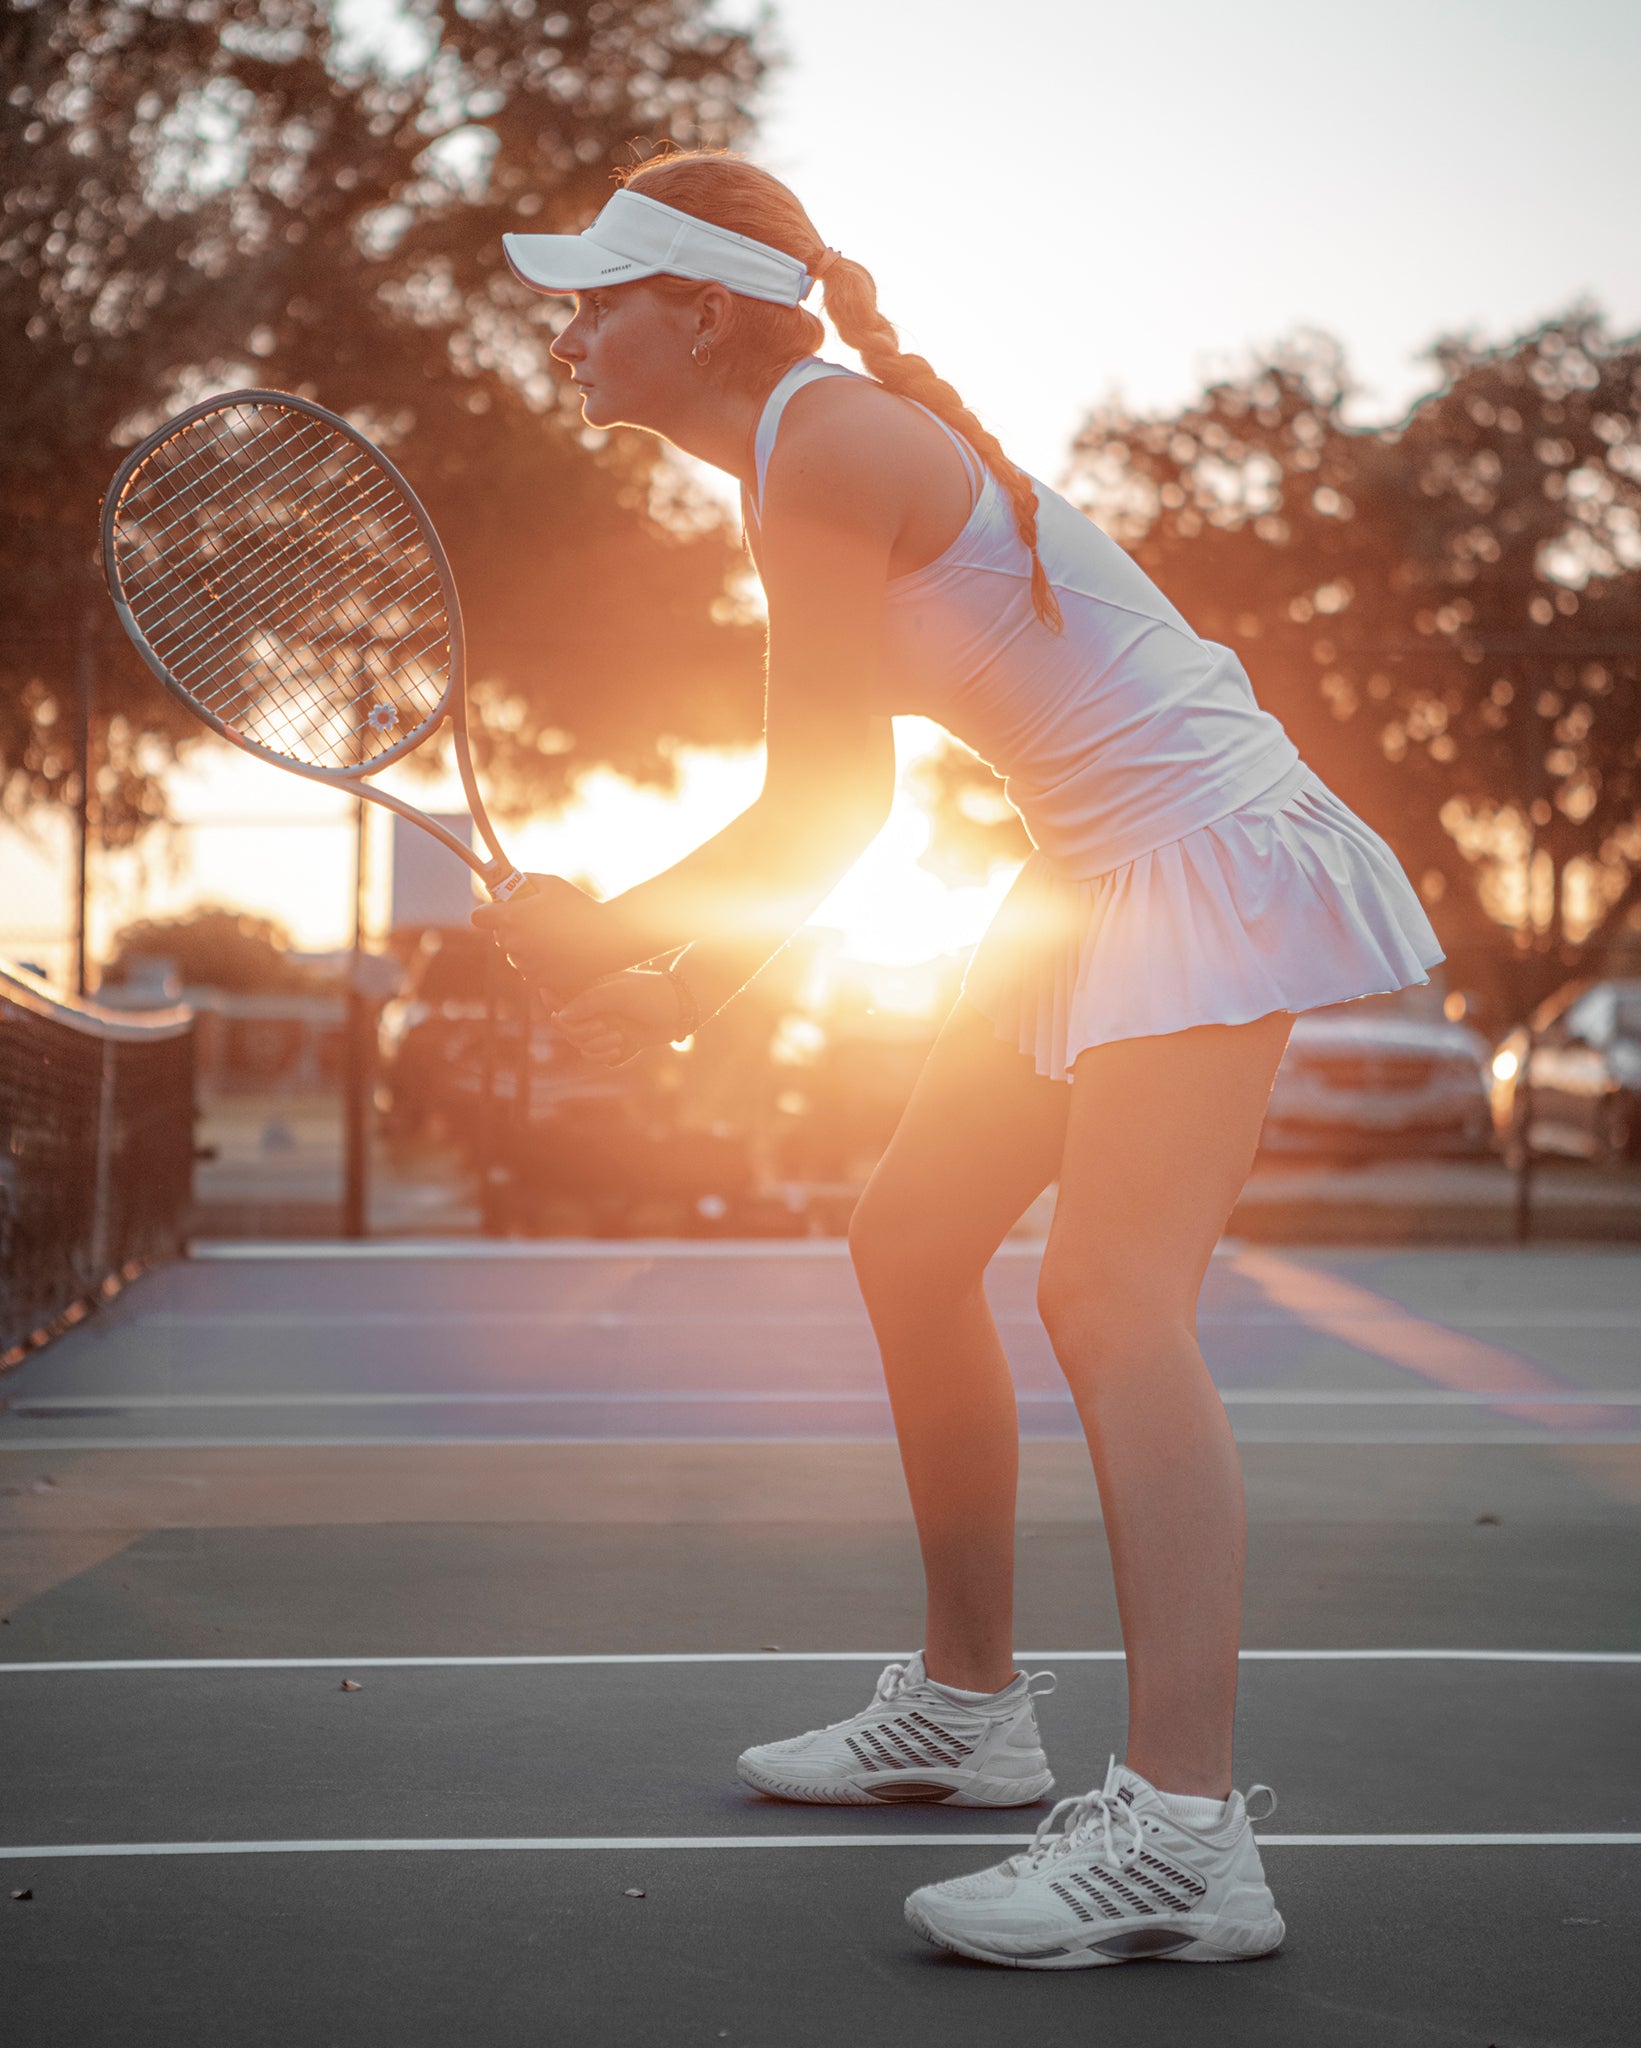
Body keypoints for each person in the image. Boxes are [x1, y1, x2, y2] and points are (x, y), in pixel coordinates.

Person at [478, 148, 1442, 1970]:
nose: (570, 325)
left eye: (600, 294)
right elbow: (836, 806)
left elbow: (829, 803)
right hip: (1083, 869)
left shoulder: (821, 443)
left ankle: (1180, 1836)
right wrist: (676, 982)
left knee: (1108, 1299)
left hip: (1205, 853)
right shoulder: (799, 449)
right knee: (909, 1238)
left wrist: (617, 926)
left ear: (701, 309)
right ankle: (969, 1708)